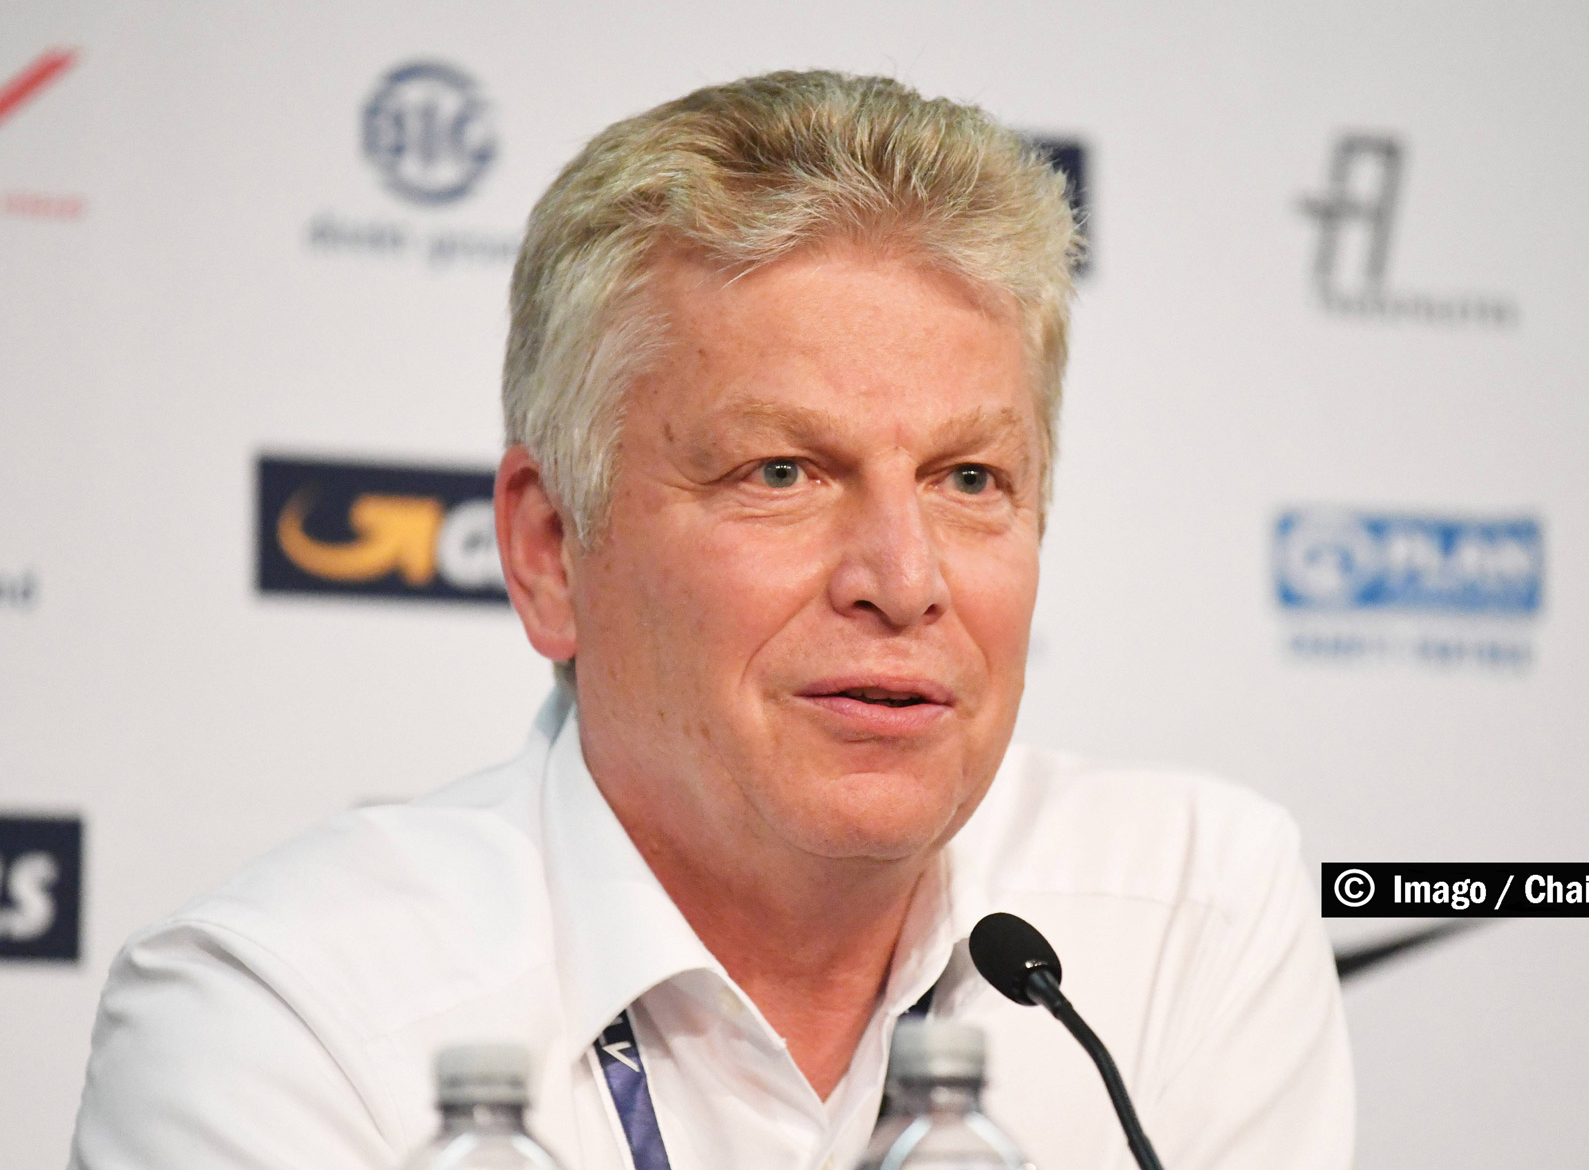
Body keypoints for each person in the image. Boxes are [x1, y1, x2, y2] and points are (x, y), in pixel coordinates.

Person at [69, 71, 1352, 1170]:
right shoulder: (284, 1020)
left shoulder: (1192, 915)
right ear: (549, 550)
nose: (904, 580)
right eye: (781, 473)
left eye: (970, 480)